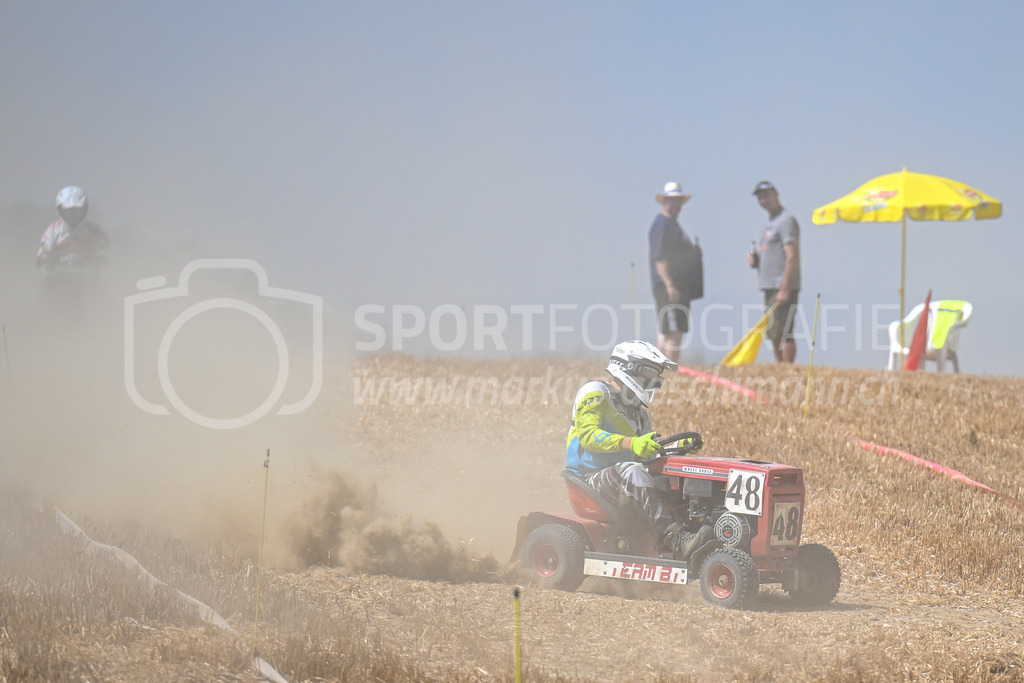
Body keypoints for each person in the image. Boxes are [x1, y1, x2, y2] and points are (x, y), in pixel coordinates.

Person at [565, 340, 712, 558]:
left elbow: (648, 454)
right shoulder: (595, 392)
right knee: (632, 471)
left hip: (620, 476)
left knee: (667, 476)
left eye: (656, 376)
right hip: (588, 479)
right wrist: (632, 443)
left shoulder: (639, 414)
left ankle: (692, 529)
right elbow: (588, 436)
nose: (653, 380)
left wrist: (676, 448)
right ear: (626, 367)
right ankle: (676, 539)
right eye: (648, 372)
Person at [648, 181, 702, 365]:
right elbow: (660, 258)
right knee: (672, 331)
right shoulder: (662, 225)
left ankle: (658, 373)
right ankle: (667, 375)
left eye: (678, 201)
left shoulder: (672, 225)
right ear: (664, 201)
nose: (675, 205)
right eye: (671, 201)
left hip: (678, 286)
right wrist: (670, 286)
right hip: (669, 287)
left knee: (668, 331)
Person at [748, 180, 800, 363]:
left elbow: (792, 255)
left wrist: (785, 288)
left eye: (766, 196)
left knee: (783, 330)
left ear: (776, 194)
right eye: (760, 198)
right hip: (769, 285)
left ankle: (788, 368)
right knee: (773, 331)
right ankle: (781, 367)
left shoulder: (786, 221)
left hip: (782, 285)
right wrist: (756, 261)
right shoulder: (769, 224)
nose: (763, 201)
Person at [36, 186, 109, 271]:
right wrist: (43, 256)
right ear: (59, 210)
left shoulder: (93, 230)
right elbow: (45, 246)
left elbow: (102, 245)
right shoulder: (53, 230)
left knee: (104, 284)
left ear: (85, 210)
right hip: (57, 277)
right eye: (68, 213)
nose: (72, 219)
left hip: (87, 276)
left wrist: (101, 255)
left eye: (77, 213)